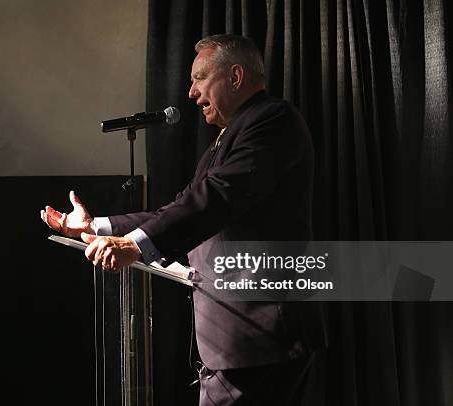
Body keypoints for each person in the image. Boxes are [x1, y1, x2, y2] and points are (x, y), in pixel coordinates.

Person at [41, 34, 326, 405]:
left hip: (262, 340)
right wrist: (95, 226)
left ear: (235, 76)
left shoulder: (272, 121)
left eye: (199, 79)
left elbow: (215, 199)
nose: (191, 93)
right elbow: (179, 207)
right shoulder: (225, 139)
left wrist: (134, 246)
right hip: (239, 345)